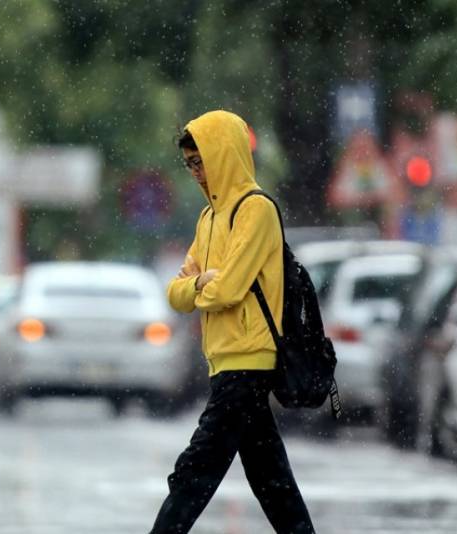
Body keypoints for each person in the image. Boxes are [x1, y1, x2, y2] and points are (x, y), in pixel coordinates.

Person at [150, 110, 314, 534]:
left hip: (249, 362)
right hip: (223, 362)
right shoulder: (208, 219)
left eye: (200, 161)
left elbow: (229, 290)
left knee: (194, 471)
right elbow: (175, 292)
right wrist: (201, 284)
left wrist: (199, 284)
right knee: (271, 480)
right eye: (189, 164)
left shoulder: (255, 209)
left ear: (224, 154)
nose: (195, 172)